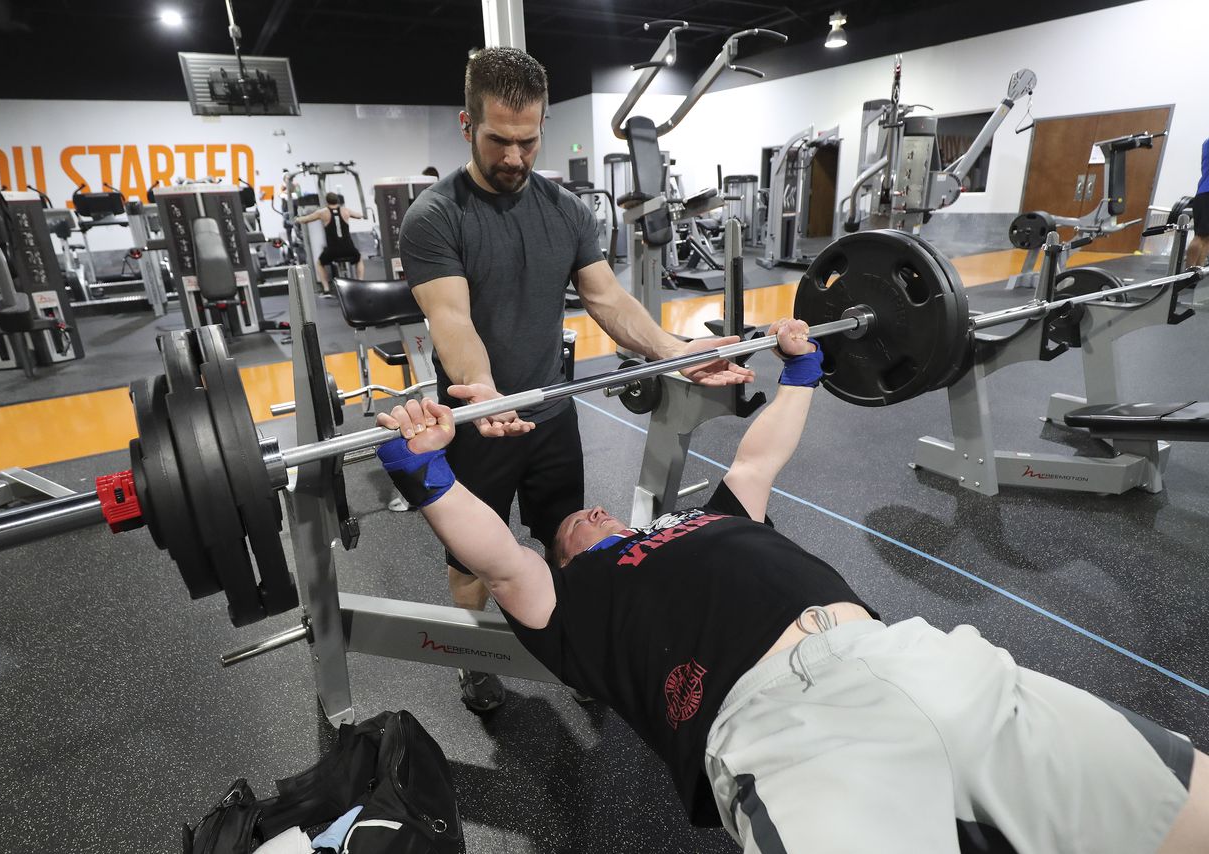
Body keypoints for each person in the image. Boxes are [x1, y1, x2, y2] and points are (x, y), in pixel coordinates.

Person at [372, 318, 1208, 854]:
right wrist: (427, 473)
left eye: (595, 509)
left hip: (920, 660)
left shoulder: (706, 519)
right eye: (572, 526)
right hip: (788, 730)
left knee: (1181, 801)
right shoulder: (570, 607)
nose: (590, 511)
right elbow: (497, 556)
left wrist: (803, 374)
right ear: (562, 560)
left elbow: (758, 457)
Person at [397, 46, 753, 713]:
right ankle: (476, 661)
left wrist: (675, 350)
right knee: (474, 559)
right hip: (480, 418)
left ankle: (583, 645)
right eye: (499, 140)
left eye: (527, 141)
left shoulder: (566, 210)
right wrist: (484, 390)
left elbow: (609, 300)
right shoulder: (435, 217)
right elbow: (451, 319)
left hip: (551, 414)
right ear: (465, 124)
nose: (514, 158)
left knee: (570, 539)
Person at [295, 192, 366, 283]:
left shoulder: (322, 212)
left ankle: (326, 288)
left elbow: (305, 220)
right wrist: (363, 214)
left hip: (333, 250)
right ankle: (361, 282)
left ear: (326, 201)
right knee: (359, 258)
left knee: (319, 264)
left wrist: (296, 219)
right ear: (338, 200)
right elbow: (359, 216)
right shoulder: (346, 211)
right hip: (349, 248)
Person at [1186, 136, 1209, 269]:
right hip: (1207, 194)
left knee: (1207, 237)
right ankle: (1188, 273)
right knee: (1201, 236)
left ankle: (1198, 270)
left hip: (1204, 194)